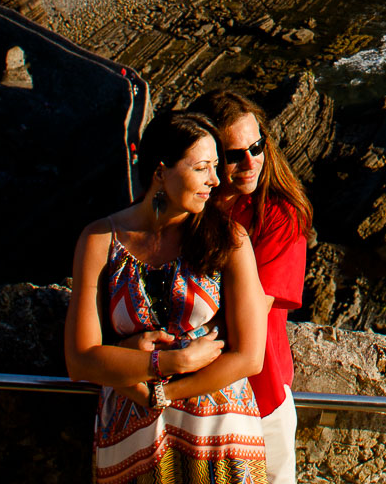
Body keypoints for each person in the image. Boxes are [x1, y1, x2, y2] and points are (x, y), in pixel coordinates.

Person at [64, 110, 271, 484]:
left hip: (218, 438)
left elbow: (249, 356)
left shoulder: (230, 239)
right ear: (161, 172)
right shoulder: (99, 241)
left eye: (216, 166)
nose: (216, 179)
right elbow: (80, 360)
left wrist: (160, 390)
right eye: (203, 167)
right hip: (133, 439)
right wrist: (172, 361)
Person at [191, 89, 312, 484]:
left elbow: (250, 317)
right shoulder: (188, 207)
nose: (250, 161)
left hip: (260, 398)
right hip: (193, 400)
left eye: (257, 145)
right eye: (233, 154)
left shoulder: (279, 216)